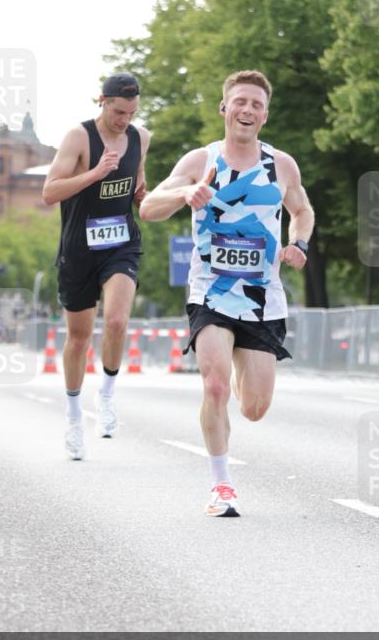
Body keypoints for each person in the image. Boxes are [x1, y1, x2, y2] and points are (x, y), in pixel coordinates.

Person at [140, 69, 314, 516]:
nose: (247, 110)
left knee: (254, 407)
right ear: (224, 108)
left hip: (262, 295)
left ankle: (239, 369)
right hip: (211, 290)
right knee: (214, 386)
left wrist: (299, 243)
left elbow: (302, 209)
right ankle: (222, 489)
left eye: (256, 104)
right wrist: (186, 193)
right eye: (240, 101)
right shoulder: (201, 161)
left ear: (265, 115)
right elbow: (147, 207)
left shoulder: (281, 165)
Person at [43, 73, 151, 460]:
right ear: (102, 101)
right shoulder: (79, 137)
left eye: (131, 113)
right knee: (78, 338)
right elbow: (49, 192)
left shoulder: (141, 138)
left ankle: (106, 394)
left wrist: (143, 196)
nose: (124, 120)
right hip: (78, 249)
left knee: (119, 320)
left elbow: (138, 186)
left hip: (120, 243)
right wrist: (95, 173)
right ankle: (74, 417)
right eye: (119, 111)